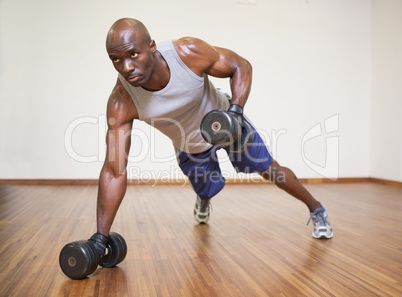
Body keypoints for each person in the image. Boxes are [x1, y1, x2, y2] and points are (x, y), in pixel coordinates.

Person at [90, 18, 333, 257]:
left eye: (133, 54)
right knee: (207, 188)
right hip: (189, 144)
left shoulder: (186, 53)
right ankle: (204, 198)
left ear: (151, 46)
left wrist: (235, 112)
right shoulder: (122, 101)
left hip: (226, 125)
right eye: (116, 59)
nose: (126, 67)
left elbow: (241, 65)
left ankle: (317, 209)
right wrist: (101, 237)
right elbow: (114, 171)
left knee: (271, 169)